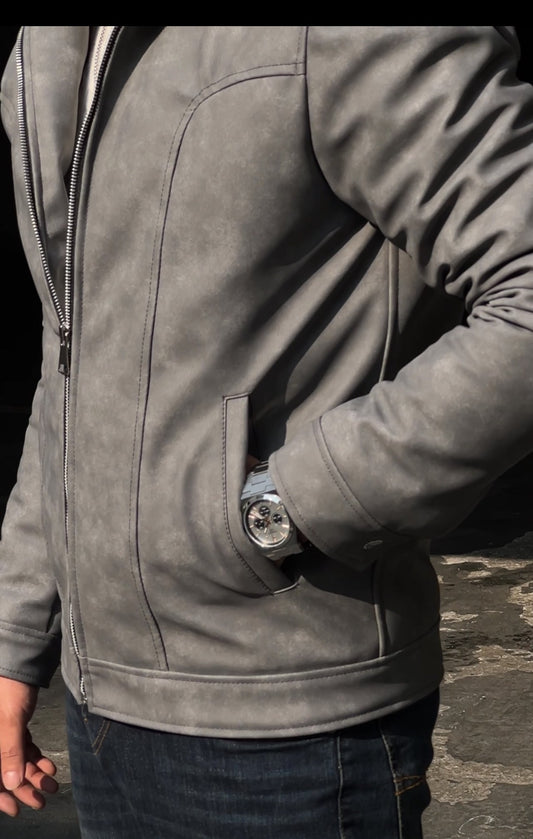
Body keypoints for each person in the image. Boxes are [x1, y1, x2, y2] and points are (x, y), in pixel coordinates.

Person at [0, 26, 532, 839]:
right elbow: (73, 354)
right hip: (100, 703)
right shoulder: (55, 43)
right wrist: (17, 632)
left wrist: (281, 507)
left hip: (286, 728)